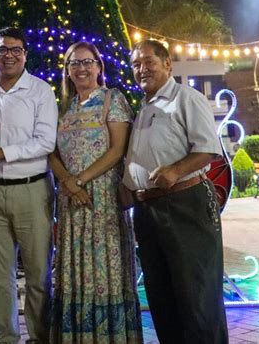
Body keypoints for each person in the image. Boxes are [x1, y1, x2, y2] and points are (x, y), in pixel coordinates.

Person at [123, 39, 228, 344]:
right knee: (162, 299)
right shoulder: (144, 107)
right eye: (136, 64)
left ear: (167, 63)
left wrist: (175, 170)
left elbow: (209, 149)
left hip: (184, 205)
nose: (142, 69)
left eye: (148, 61)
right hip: (148, 211)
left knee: (197, 298)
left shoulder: (186, 98)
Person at [49, 41, 143, 344]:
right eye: (74, 63)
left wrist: (81, 180)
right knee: (74, 266)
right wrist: (68, 182)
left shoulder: (112, 100)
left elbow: (118, 149)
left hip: (103, 199)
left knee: (106, 269)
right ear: (67, 71)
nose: (81, 68)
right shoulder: (63, 106)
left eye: (87, 62)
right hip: (70, 201)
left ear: (99, 67)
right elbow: (50, 151)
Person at [0, 26, 58, 344]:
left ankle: (38, 336)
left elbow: (46, 141)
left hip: (33, 190)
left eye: (16, 50)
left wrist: (1, 152)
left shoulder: (40, 91)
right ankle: (5, 335)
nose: (9, 55)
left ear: (25, 54)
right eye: (2, 49)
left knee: (38, 273)